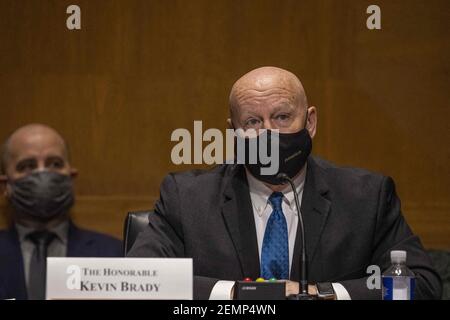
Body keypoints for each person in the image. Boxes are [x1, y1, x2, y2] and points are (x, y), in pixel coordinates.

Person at [128, 66, 442, 300]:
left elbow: (421, 283)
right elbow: (141, 278)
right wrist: (242, 295)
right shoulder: (187, 198)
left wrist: (324, 295)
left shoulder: (366, 198)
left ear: (310, 122)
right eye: (252, 122)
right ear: (233, 131)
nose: (269, 134)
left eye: (281, 117)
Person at [0, 124, 123, 300]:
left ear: (71, 177)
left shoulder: (114, 255)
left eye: (55, 164)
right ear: (5, 185)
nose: (42, 174)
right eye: (27, 166)